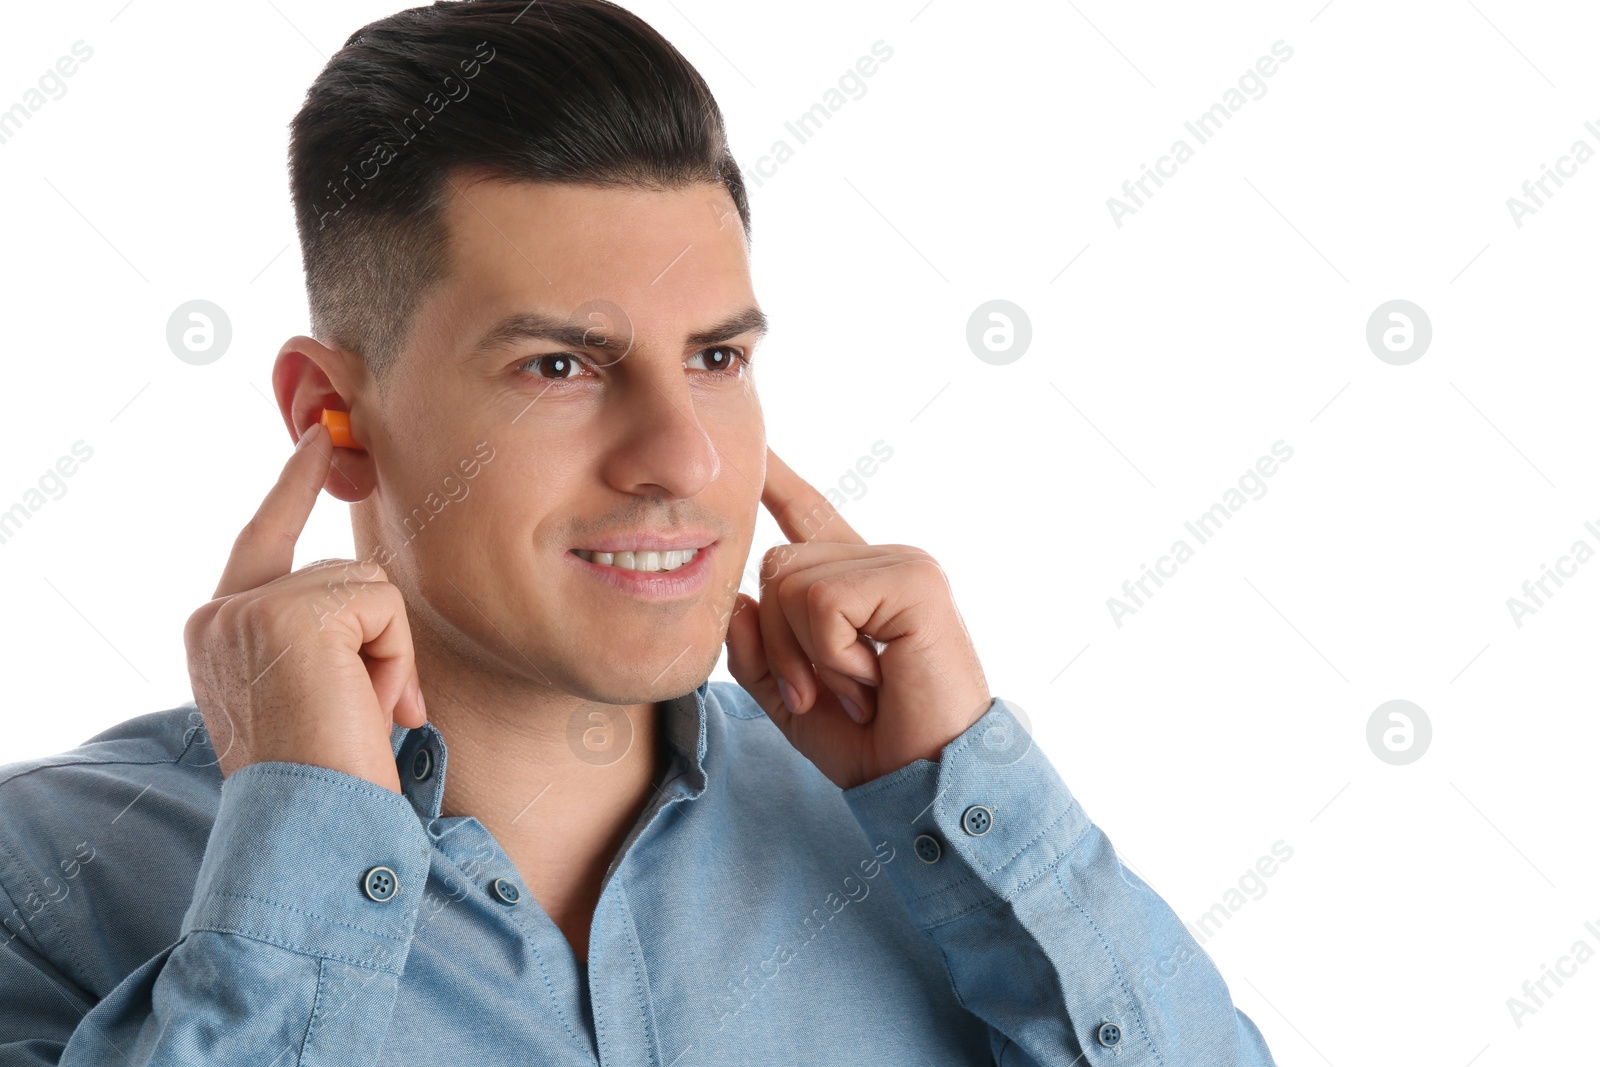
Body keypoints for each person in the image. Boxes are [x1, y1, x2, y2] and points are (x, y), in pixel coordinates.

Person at [0, 1, 1279, 1062]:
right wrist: (308, 834)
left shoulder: (938, 845)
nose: (685, 456)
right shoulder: (45, 880)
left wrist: (966, 785)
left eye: (715, 354)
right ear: (334, 415)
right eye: (561, 365)